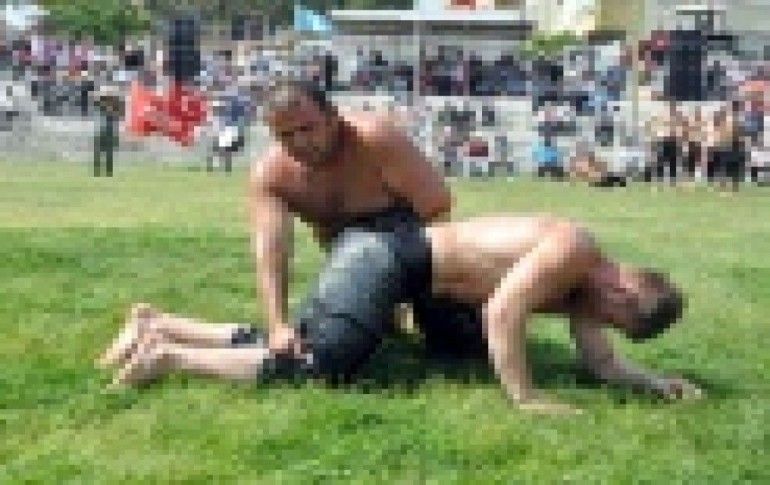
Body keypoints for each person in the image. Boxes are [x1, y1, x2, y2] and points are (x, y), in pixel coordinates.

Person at [99, 214, 699, 413]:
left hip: (399, 268)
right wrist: (525, 397)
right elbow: (502, 314)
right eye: (616, 320)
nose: (602, 325)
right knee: (324, 363)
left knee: (302, 343)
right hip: (384, 257)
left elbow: (600, 364)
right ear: (623, 291)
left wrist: (655, 383)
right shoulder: (573, 251)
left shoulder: (586, 291)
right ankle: (169, 358)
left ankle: (161, 325)